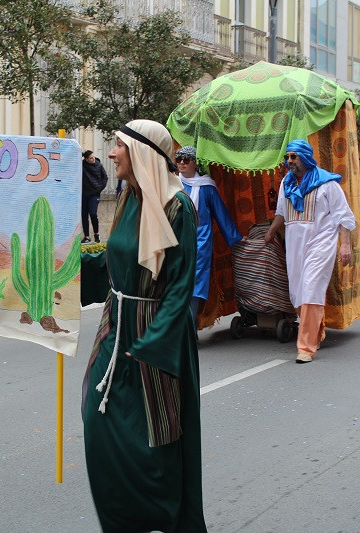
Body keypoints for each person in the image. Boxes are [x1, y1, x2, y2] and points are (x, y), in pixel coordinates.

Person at [81, 119, 206, 532]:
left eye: (118, 145)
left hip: (154, 337)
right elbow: (113, 262)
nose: (112, 153)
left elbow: (179, 287)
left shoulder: (178, 206)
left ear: (141, 153)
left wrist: (152, 345)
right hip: (115, 330)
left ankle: (164, 518)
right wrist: (67, 273)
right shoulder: (130, 198)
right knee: (99, 425)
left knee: (156, 440)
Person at [264, 139, 355, 364]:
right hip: (295, 244)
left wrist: (344, 245)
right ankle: (316, 329)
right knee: (297, 293)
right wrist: (270, 233)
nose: (289, 161)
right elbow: (281, 212)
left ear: (305, 157)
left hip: (321, 241)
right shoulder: (287, 182)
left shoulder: (327, 183)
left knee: (311, 288)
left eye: (293, 156)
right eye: (287, 157)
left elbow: (343, 216)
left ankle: (306, 347)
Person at [175, 145, 243, 328]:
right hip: (174, 241)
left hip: (200, 241)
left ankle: (189, 327)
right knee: (175, 282)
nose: (182, 163)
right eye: (179, 159)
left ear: (195, 163)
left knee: (196, 284)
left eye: (186, 159)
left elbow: (220, 213)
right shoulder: (171, 184)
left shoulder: (206, 187)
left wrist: (235, 237)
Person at [81, 150, 109, 244]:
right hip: (84, 194)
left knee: (93, 213)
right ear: (86, 159)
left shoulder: (99, 165)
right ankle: (87, 236)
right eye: (90, 158)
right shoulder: (82, 164)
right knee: (84, 215)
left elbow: (105, 178)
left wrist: (99, 189)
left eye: (93, 157)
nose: (93, 159)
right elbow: (74, 159)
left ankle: (96, 234)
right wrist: (81, 153)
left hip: (94, 194)